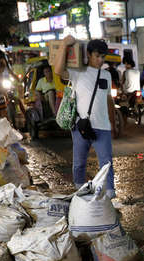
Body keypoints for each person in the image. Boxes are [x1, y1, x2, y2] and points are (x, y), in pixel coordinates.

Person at [53, 36, 117, 199]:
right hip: (80, 125)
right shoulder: (77, 72)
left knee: (106, 163)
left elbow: (109, 99)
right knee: (79, 162)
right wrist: (63, 45)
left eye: (103, 57)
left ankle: (110, 194)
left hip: (103, 127)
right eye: (97, 56)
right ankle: (79, 191)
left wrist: (113, 122)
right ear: (88, 54)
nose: (100, 60)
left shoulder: (106, 75)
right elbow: (58, 70)